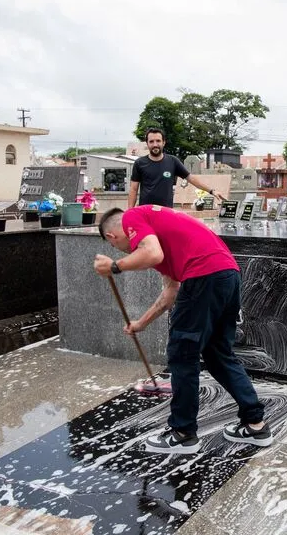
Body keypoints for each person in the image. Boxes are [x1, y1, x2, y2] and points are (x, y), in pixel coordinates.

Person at [93, 205, 273, 454]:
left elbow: (152, 254)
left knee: (182, 355)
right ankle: (256, 424)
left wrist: (115, 266)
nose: (121, 250)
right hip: (227, 276)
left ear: (112, 237)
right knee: (218, 354)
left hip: (203, 276)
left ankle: (183, 433)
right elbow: (171, 291)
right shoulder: (162, 234)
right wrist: (141, 323)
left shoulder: (134, 217)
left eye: (114, 247)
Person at [128, 128, 226, 209]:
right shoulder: (139, 163)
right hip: (145, 211)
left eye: (158, 141)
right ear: (147, 143)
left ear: (164, 142)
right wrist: (129, 212)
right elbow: (133, 189)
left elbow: (191, 179)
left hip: (166, 212)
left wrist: (212, 191)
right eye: (151, 141)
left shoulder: (172, 161)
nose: (155, 144)